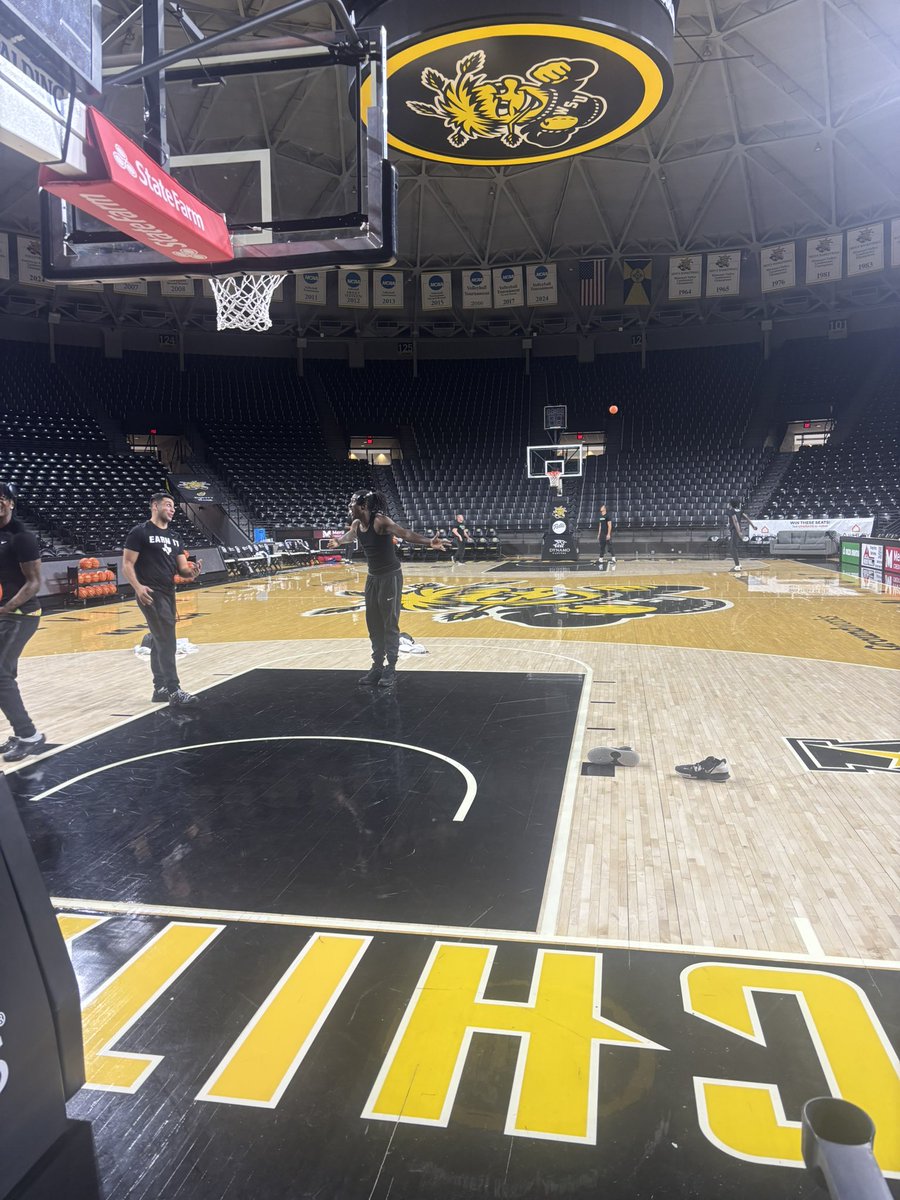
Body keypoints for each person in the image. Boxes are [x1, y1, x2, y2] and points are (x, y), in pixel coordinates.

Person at [329, 492, 447, 688]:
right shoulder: (358, 524)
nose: (349, 506)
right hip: (372, 578)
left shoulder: (380, 521)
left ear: (364, 505)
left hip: (390, 577)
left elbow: (405, 534)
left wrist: (429, 542)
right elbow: (351, 534)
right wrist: (339, 541)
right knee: (373, 623)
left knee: (389, 623)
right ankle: (376, 666)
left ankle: (390, 668)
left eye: (352, 503)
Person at [123, 492, 201, 705]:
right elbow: (127, 564)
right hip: (149, 592)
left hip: (168, 592)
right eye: (168, 505)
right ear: (154, 506)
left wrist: (192, 572)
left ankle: (160, 689)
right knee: (167, 639)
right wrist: (137, 587)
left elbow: (183, 569)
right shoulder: (139, 532)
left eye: (173, 506)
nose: (172, 509)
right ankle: (174, 690)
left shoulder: (175, 537)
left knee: (161, 638)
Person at [0, 482, 46, 762]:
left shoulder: (22, 537)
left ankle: (29, 735)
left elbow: (33, 583)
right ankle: (22, 734)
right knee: (6, 676)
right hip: (5, 613)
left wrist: (6, 608)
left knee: (0, 675)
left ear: (11, 503)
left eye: (2, 498)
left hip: (22, 614)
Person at [725, 498, 757, 572]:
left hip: (735, 530)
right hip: (736, 530)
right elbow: (747, 518)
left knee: (733, 548)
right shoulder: (740, 510)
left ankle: (738, 565)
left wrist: (739, 532)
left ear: (731, 504)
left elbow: (735, 521)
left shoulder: (731, 511)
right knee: (733, 547)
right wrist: (753, 526)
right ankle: (738, 565)